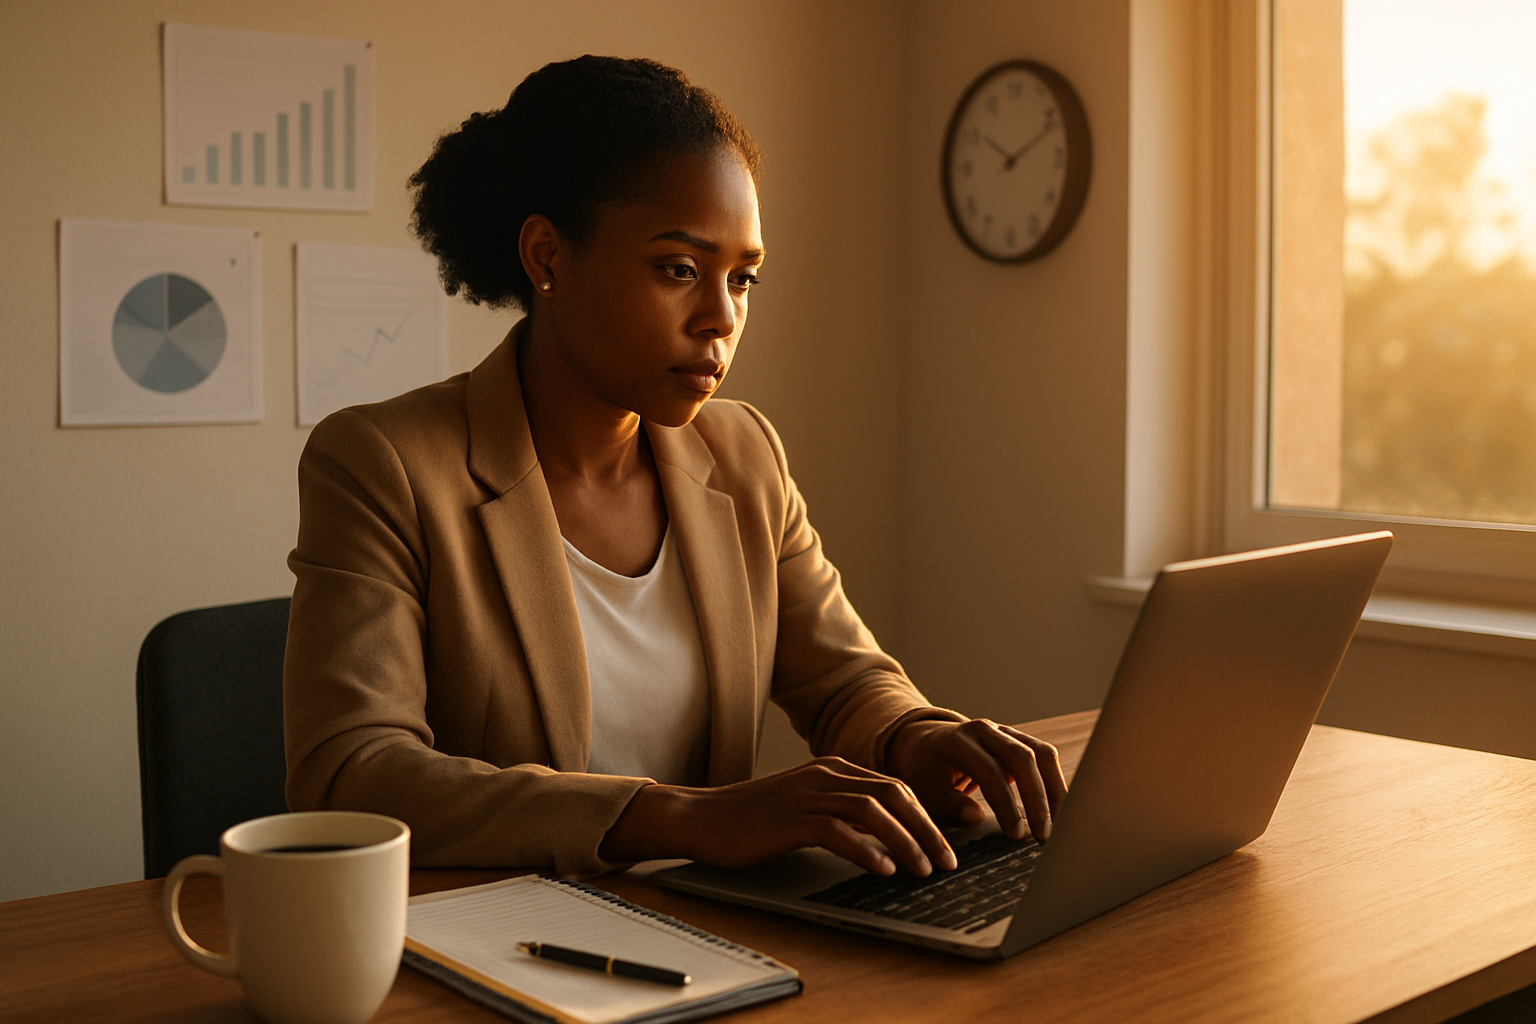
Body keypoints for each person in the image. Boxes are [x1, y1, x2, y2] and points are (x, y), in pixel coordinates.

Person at [283, 55, 1066, 881]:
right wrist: (685, 817)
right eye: (679, 270)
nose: (720, 319)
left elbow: (842, 679)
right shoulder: (383, 464)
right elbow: (351, 777)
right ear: (548, 257)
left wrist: (914, 733)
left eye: (743, 278)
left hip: (713, 940)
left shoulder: (743, 453)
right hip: (499, 952)